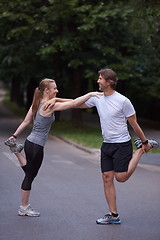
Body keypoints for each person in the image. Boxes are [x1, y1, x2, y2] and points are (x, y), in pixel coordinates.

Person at [46, 69, 159, 224]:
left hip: (122, 144)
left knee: (121, 177)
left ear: (109, 82)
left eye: (100, 78)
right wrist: (57, 100)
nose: (98, 81)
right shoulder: (97, 98)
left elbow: (134, 124)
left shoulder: (123, 101)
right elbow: (76, 103)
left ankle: (139, 150)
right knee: (107, 178)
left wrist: (145, 142)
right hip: (107, 144)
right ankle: (113, 215)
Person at [4, 78, 101, 217]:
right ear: (46, 90)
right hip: (37, 146)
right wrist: (91, 94)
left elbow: (26, 121)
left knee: (30, 173)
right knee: (30, 176)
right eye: (54, 88)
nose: (57, 90)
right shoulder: (49, 106)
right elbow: (73, 103)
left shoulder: (36, 104)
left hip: (30, 142)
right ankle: (23, 207)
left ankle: (17, 151)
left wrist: (14, 135)